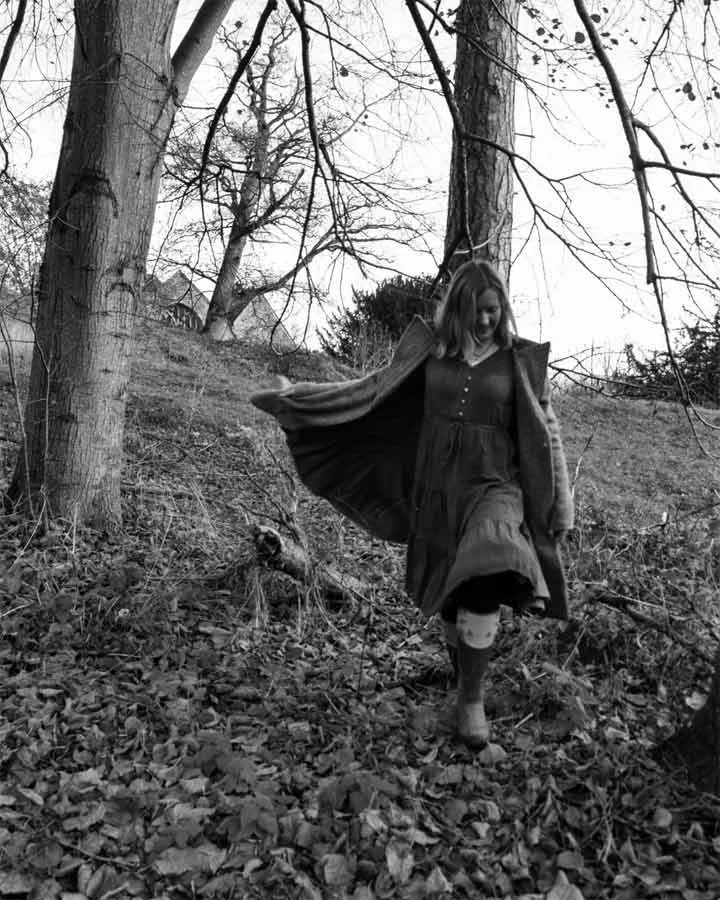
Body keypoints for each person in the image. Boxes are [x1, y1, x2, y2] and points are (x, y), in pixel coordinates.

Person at [251, 260, 573, 750]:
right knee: (450, 589)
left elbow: (547, 429)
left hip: (496, 488)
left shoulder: (518, 362)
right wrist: (296, 399)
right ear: (458, 309)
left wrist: (561, 504)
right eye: (477, 310)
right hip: (438, 488)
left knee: (488, 566)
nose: (487, 320)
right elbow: (369, 391)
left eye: (494, 310)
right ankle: (462, 680)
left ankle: (471, 700)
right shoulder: (433, 353)